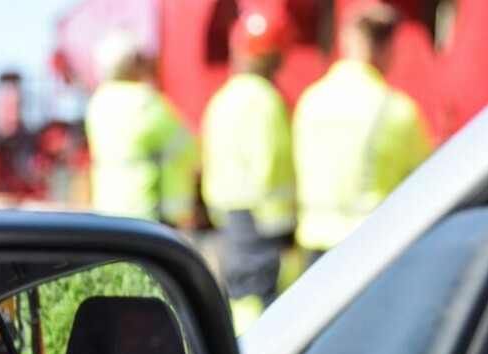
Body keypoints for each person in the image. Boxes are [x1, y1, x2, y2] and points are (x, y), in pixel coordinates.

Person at [293, 0, 431, 262]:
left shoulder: (310, 100)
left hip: (313, 244)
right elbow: (425, 179)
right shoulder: (396, 110)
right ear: (386, 48)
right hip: (369, 247)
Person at [200, 3, 296, 330]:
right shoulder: (266, 101)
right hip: (260, 223)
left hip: (229, 220)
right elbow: (273, 168)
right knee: (261, 305)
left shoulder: (222, 99)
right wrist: (285, 229)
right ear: (274, 55)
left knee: (241, 299)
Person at [85, 30, 198, 226]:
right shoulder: (144, 101)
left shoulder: (98, 103)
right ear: (131, 65)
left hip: (108, 208)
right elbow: (188, 148)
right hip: (147, 211)